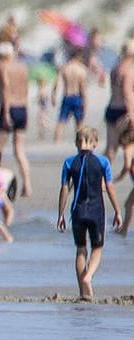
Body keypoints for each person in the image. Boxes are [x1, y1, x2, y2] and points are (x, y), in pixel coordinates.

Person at [58, 126, 120, 300]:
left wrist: (61, 214)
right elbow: (109, 187)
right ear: (94, 144)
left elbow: (64, 189)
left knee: (80, 250)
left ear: (77, 143)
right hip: (96, 210)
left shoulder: (69, 162)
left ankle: (83, 293)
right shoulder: (103, 161)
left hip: (77, 211)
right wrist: (117, 210)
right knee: (98, 248)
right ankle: (88, 276)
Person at [0, 41, 33, 196]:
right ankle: (27, 185)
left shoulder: (4, 67)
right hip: (23, 108)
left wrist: (6, 113)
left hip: (9, 108)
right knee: (19, 150)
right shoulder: (23, 67)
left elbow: (5, 89)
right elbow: (25, 88)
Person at [55, 48, 90, 142]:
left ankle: (57, 141)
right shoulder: (81, 69)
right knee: (79, 123)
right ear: (79, 57)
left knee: (61, 121)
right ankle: (80, 142)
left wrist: (53, 96)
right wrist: (85, 102)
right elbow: (83, 88)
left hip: (67, 95)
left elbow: (57, 83)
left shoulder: (65, 67)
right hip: (77, 97)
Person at [106, 39, 134, 146]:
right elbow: (127, 94)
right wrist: (131, 114)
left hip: (112, 108)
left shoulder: (115, 69)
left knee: (111, 149)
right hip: (124, 111)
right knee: (129, 148)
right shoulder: (129, 71)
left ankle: (102, 164)